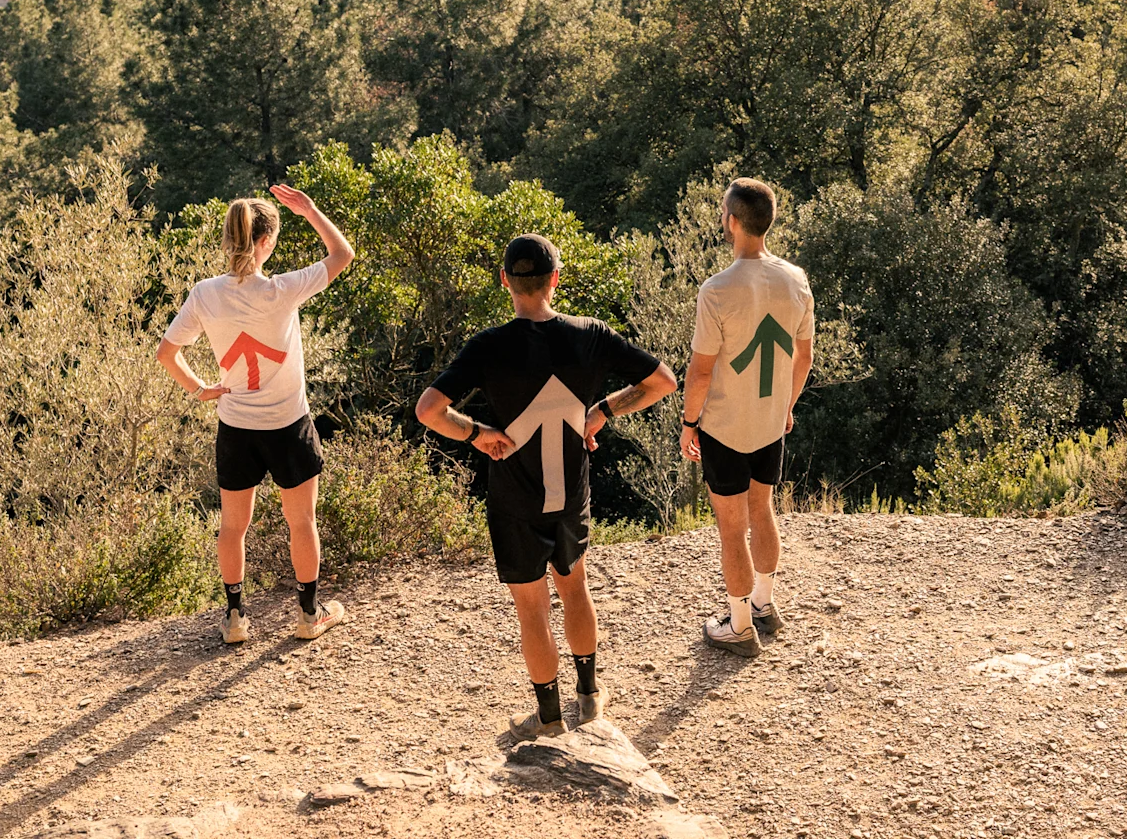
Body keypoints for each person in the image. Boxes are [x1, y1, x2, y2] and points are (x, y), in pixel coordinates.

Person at [416, 234, 677, 739]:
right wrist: (600, 411)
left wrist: (477, 433)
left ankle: (549, 717)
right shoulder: (592, 334)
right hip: (570, 494)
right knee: (575, 589)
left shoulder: (489, 346)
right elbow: (663, 380)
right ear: (555, 279)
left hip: (515, 500)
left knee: (532, 608)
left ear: (505, 282)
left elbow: (429, 411)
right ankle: (590, 698)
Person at [156, 184, 355, 646]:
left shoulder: (205, 294)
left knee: (232, 525)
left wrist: (200, 390)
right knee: (301, 520)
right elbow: (342, 253)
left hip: (236, 426)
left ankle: (235, 619)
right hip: (288, 425)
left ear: (228, 241)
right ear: (266, 243)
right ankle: (309, 615)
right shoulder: (284, 289)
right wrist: (308, 210)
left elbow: (168, 353)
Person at [682, 178, 814, 658]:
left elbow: (699, 372)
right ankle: (763, 604)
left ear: (732, 222)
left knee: (731, 526)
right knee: (763, 509)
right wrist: (786, 406)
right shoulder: (796, 280)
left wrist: (689, 422)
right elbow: (804, 355)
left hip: (725, 426)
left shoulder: (716, 290)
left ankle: (739, 627)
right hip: (769, 422)